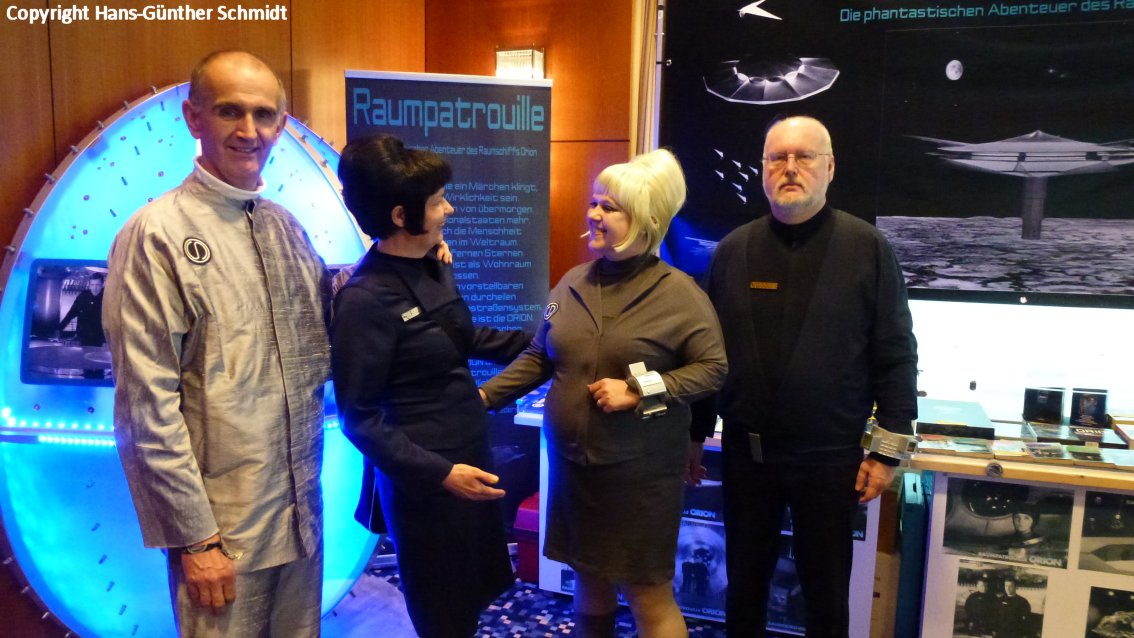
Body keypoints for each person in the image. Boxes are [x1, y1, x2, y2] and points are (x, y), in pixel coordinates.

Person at [103, 51, 329, 636]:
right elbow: (146, 407)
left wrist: (408, 257)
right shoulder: (156, 234)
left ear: (281, 124)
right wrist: (195, 540)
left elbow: (324, 331)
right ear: (193, 118)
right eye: (230, 111)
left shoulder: (285, 228)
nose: (249, 130)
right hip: (223, 537)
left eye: (264, 114)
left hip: (301, 519)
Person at [480, 149, 727, 638]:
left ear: (645, 221)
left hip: (640, 477)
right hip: (574, 468)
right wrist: (483, 398)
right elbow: (540, 354)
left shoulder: (680, 294)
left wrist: (640, 391)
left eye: (609, 207)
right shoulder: (573, 281)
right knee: (587, 575)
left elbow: (714, 369)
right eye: (594, 202)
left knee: (646, 591)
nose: (593, 214)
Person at [699, 114, 918, 637]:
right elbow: (709, 354)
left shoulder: (867, 249)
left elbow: (896, 354)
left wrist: (887, 453)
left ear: (830, 167)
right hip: (747, 458)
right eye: (778, 157)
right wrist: (694, 434)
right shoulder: (733, 250)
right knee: (743, 589)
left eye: (804, 157)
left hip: (830, 461)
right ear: (763, 169)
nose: (790, 168)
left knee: (826, 594)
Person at [330, 134, 531, 638]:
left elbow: (459, 337)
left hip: (468, 460)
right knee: (442, 612)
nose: (450, 209)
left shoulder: (432, 264)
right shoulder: (364, 300)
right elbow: (359, 419)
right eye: (439, 201)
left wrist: (547, 337)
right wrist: (441, 475)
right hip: (428, 483)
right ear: (401, 215)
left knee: (469, 599)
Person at [57, 272, 105, 346]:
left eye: (97, 285)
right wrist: (59, 328)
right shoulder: (83, 296)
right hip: (83, 337)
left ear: (102, 284)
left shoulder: (107, 298)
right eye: (92, 285)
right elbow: (71, 313)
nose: (94, 288)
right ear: (89, 285)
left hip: (100, 338)